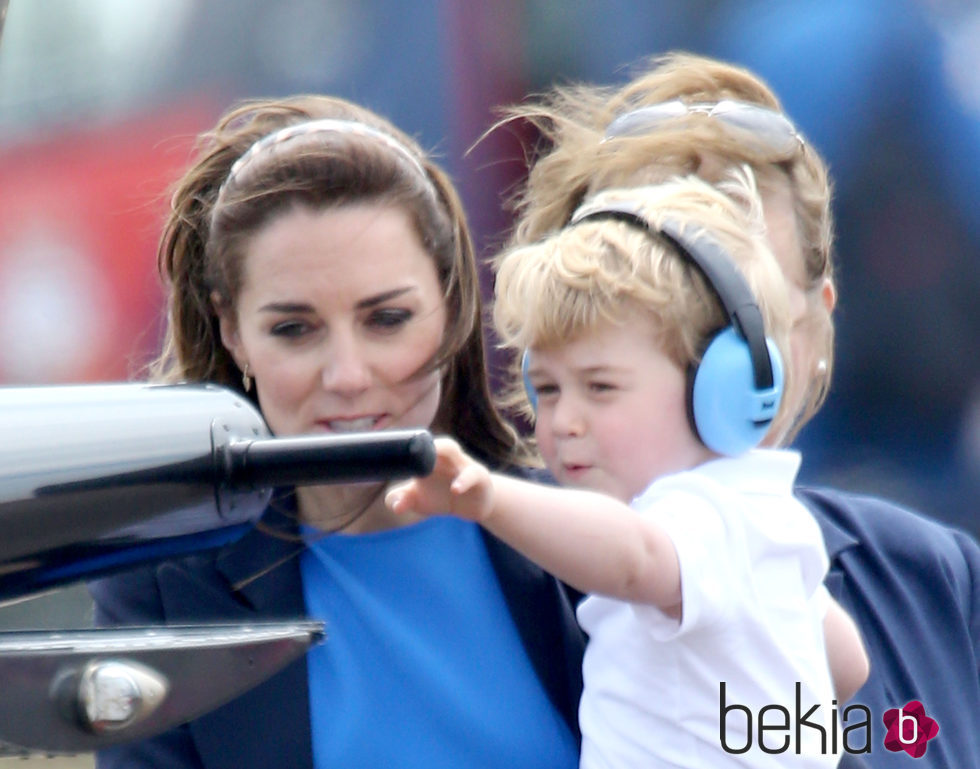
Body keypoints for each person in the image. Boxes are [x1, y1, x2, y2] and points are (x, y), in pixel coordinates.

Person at [498, 51, 980, 767]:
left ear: (814, 328)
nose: (709, 342)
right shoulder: (487, 569)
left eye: (741, 311)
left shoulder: (933, 578)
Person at [87, 94, 585, 769]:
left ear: (451, 301)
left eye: (386, 318)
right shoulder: (162, 588)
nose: (347, 375)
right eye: (294, 329)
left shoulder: (586, 533)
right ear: (232, 331)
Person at [387, 173, 869, 768]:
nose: (563, 421)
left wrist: (490, 500)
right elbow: (848, 664)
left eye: (600, 387)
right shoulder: (766, 519)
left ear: (721, 387)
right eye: (547, 389)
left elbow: (635, 560)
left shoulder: (700, 517)